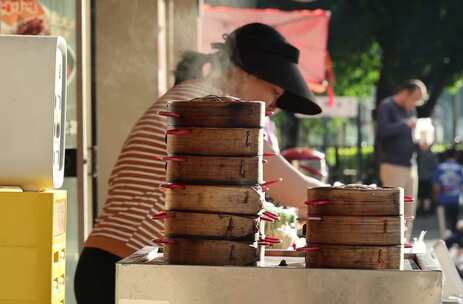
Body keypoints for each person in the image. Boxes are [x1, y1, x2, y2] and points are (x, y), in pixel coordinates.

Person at [74, 23, 326, 304]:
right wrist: (353, 197)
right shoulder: (216, 111)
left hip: (115, 266)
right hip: (123, 268)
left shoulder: (193, 98)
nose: (275, 106)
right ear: (242, 74)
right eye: (274, 92)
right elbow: (302, 195)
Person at [377, 79, 429, 198]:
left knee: (409, 212)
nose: (415, 104)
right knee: (394, 209)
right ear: (405, 93)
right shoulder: (387, 105)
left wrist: (420, 145)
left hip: (411, 166)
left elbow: (411, 136)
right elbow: (383, 131)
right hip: (392, 165)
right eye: (414, 99)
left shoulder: (411, 110)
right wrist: (404, 124)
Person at [432, 148, 463, 234]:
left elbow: (436, 185)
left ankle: (447, 238)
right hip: (457, 199)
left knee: (445, 222)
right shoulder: (460, 168)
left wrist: (435, 196)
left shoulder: (440, 168)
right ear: (456, 156)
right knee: (455, 221)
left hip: (443, 199)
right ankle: (454, 237)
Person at [417, 144, 438, 215]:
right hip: (428, 178)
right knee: (426, 195)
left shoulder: (418, 155)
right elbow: (435, 167)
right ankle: (426, 211)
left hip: (420, 177)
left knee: (419, 195)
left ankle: (418, 211)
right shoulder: (432, 155)